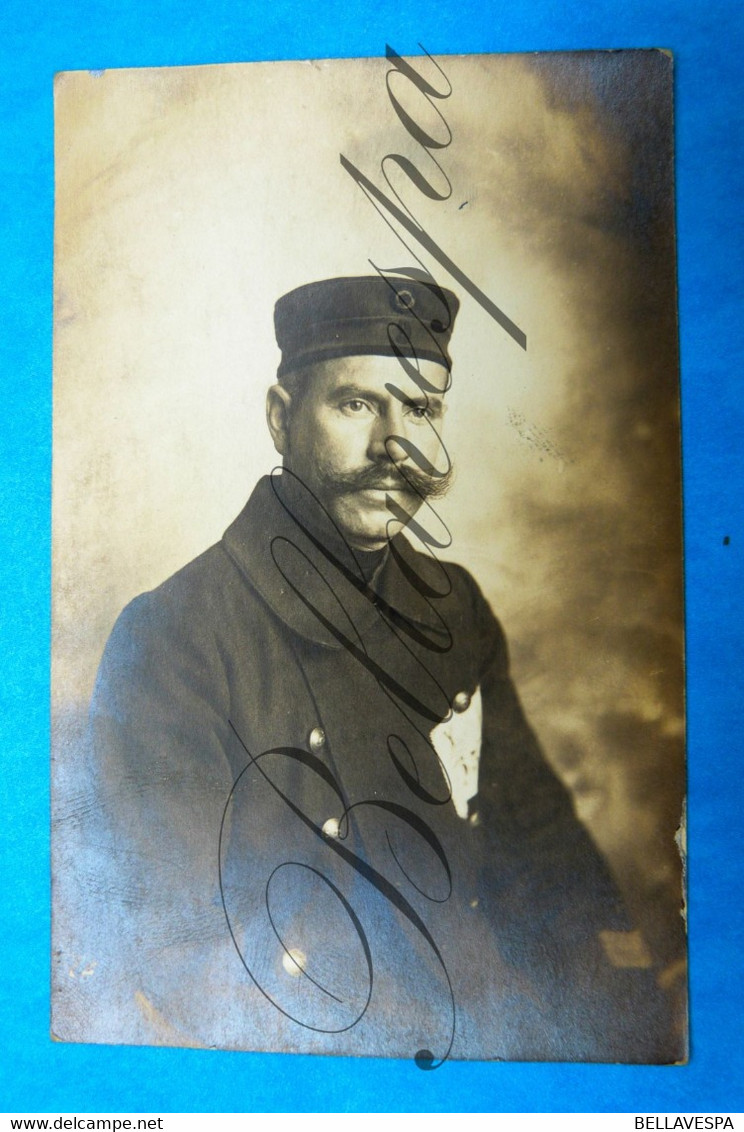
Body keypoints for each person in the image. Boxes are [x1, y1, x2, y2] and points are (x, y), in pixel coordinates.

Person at [73, 275, 673, 1063]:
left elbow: (542, 855)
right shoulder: (175, 637)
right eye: (357, 404)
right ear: (282, 419)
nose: (397, 445)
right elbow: (189, 960)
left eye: (420, 409)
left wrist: (616, 1043)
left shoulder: (454, 607)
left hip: (496, 1048)